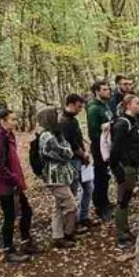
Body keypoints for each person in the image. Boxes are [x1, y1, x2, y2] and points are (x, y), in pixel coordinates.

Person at [0, 107, 35, 262]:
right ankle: (8, 251)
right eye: (12, 120)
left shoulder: (8, 136)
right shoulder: (0, 139)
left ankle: (26, 242)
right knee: (10, 217)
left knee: (26, 211)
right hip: (6, 186)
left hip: (14, 184)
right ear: (3, 121)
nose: (15, 122)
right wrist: (14, 179)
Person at [36, 108, 78, 248]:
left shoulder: (56, 133)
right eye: (56, 115)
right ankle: (68, 232)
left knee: (58, 206)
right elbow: (63, 153)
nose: (59, 117)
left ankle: (58, 236)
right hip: (54, 176)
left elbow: (67, 150)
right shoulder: (47, 136)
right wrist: (66, 151)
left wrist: (66, 150)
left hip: (60, 174)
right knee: (70, 205)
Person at [109, 94, 139, 248]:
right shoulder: (122, 124)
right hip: (125, 167)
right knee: (123, 200)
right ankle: (121, 237)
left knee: (127, 198)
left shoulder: (133, 122)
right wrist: (117, 169)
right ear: (128, 106)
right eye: (137, 103)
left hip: (132, 166)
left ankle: (125, 230)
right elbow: (115, 149)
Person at [61, 94, 94, 230]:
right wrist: (83, 155)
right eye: (79, 107)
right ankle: (70, 223)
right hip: (73, 161)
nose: (80, 110)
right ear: (71, 104)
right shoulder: (64, 122)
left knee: (88, 188)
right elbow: (71, 145)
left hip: (81, 160)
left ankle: (83, 217)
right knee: (72, 192)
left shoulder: (73, 120)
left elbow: (78, 140)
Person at [86, 80, 114, 222]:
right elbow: (93, 132)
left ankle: (106, 201)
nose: (108, 92)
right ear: (97, 91)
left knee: (106, 176)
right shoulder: (93, 108)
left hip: (108, 145)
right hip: (99, 147)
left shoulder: (105, 105)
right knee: (100, 176)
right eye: (104, 89)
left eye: (108, 89)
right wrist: (103, 130)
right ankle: (100, 206)